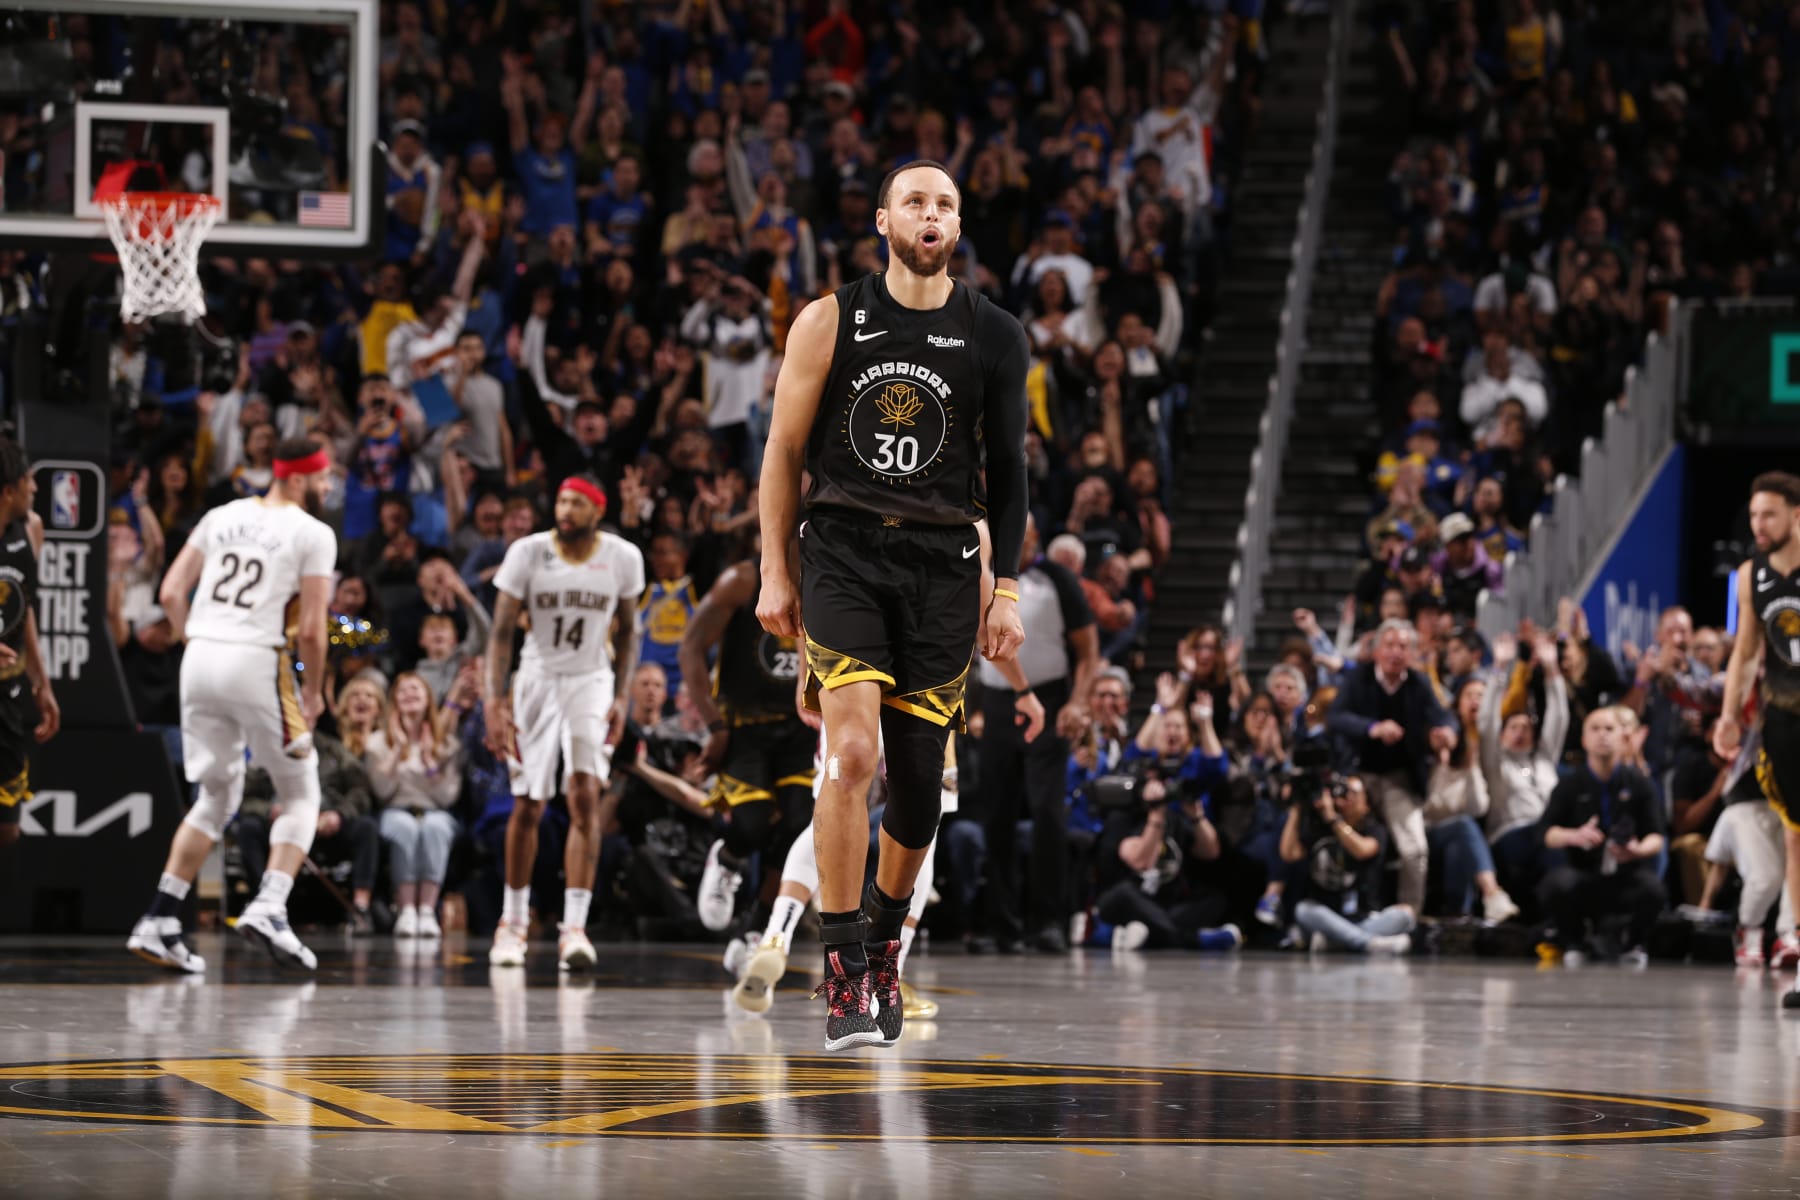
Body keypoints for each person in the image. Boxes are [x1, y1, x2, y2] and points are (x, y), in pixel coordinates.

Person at [756, 158, 1030, 1051]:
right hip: (843, 552)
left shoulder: (994, 333)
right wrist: (773, 570)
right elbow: (781, 451)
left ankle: (882, 944)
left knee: (918, 792)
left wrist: (1006, 589)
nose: (930, 213)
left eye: (945, 203)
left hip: (944, 565)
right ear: (884, 220)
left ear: (957, 226)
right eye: (915, 200)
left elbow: (1012, 475)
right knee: (851, 756)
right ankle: (842, 966)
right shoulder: (829, 319)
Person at [726, 519, 1044, 1017]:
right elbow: (989, 625)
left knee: (831, 810)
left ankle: (775, 935)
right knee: (921, 826)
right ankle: (888, 972)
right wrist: (1023, 690)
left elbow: (817, 585)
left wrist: (809, 669)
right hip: (924, 686)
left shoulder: (855, 493)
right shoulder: (967, 521)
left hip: (849, 673)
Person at [127, 439, 336, 972]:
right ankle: (270, 905)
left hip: (199, 656)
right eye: (324, 477)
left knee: (216, 795)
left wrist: (191, 638)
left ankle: (160, 918)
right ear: (298, 478)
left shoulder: (221, 515)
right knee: (302, 791)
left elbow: (171, 591)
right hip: (257, 657)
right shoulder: (313, 532)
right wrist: (313, 691)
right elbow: (314, 630)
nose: (329, 486)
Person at [483, 473, 645, 971]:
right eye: (561, 500)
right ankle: (512, 922)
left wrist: (622, 696)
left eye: (576, 502)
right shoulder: (527, 552)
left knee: (585, 795)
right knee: (528, 802)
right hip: (537, 677)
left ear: (598, 510)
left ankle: (574, 927)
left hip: (591, 679)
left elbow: (629, 631)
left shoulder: (622, 557)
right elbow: (501, 632)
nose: (565, 509)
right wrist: (494, 700)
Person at [679, 552, 816, 932]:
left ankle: (758, 928)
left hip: (802, 724)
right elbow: (690, 647)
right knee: (751, 825)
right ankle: (727, 858)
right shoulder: (741, 581)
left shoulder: (826, 573)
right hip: (746, 726)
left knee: (800, 825)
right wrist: (714, 725)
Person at [1713, 471, 1800, 1007]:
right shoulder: (1752, 575)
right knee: (1795, 836)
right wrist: (1729, 715)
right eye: (1753, 515)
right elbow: (1746, 651)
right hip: (1783, 717)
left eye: (1769, 514)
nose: (1758, 525)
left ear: (1797, 514)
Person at [1540, 708, 1667, 966]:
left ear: (1623, 737)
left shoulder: (1639, 783)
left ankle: (1633, 944)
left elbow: (1656, 835)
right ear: (1584, 739)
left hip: (1625, 874)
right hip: (1584, 873)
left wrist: (1638, 850)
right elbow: (1546, 832)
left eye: (1609, 729)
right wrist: (1574, 835)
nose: (1602, 735)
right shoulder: (1569, 784)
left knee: (1653, 890)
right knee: (1555, 885)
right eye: (1595, 729)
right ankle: (1574, 941)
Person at [0, 438, 57, 853]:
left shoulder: (30, 528)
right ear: (8, 490)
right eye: (27, 481)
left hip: (8, 692)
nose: (34, 488)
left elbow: (25, 609)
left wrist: (42, 682)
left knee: (7, 829)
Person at [1287, 775, 1416, 955]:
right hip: (1327, 916)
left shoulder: (1374, 829)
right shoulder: (1320, 826)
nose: (1347, 797)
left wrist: (1334, 820)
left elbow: (1362, 850)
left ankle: (1336, 941)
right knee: (1303, 909)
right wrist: (1297, 809)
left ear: (1366, 804)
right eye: (1343, 791)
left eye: (1353, 793)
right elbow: (1288, 854)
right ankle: (1369, 943)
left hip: (1363, 916)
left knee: (1406, 915)